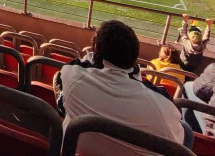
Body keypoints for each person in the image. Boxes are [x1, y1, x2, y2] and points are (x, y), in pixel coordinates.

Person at [55, 20, 185, 155]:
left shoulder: (73, 76)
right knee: (186, 128)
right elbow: (176, 143)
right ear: (134, 57)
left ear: (95, 50)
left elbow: (75, 67)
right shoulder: (162, 104)